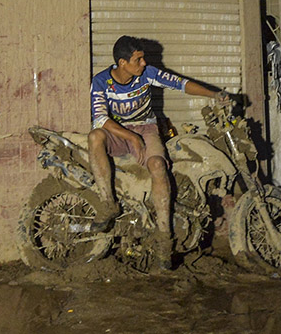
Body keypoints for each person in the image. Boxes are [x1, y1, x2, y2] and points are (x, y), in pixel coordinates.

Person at [88, 35, 230, 269]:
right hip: (119, 133)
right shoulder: (102, 81)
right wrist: (132, 137)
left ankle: (164, 239)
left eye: (143, 58)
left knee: (157, 166)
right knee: (95, 136)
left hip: (147, 127)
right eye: (138, 59)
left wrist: (214, 95)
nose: (143, 63)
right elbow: (100, 118)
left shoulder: (148, 74)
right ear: (123, 63)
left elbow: (181, 83)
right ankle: (108, 204)